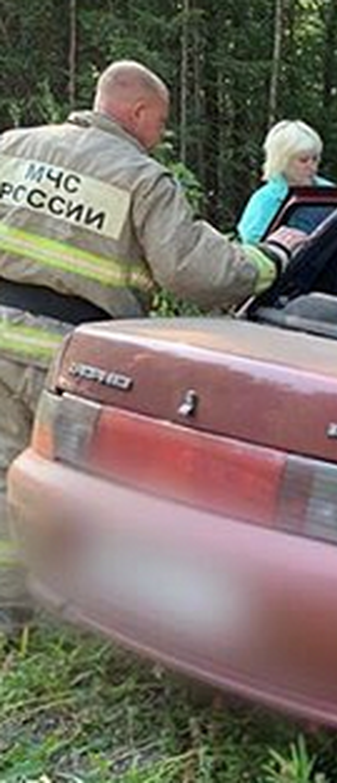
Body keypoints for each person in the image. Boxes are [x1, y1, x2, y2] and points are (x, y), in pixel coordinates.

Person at [0, 60, 286, 637]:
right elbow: (195, 271)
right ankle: (59, 608)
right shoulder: (140, 178)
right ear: (137, 113)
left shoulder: (12, 146)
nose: (160, 136)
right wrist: (272, 258)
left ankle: (8, 613)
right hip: (65, 356)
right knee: (62, 484)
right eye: (159, 123)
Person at [236, 120, 332, 243]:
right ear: (282, 161)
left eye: (315, 159)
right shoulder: (265, 199)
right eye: (303, 160)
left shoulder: (330, 192)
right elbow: (252, 244)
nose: (311, 166)